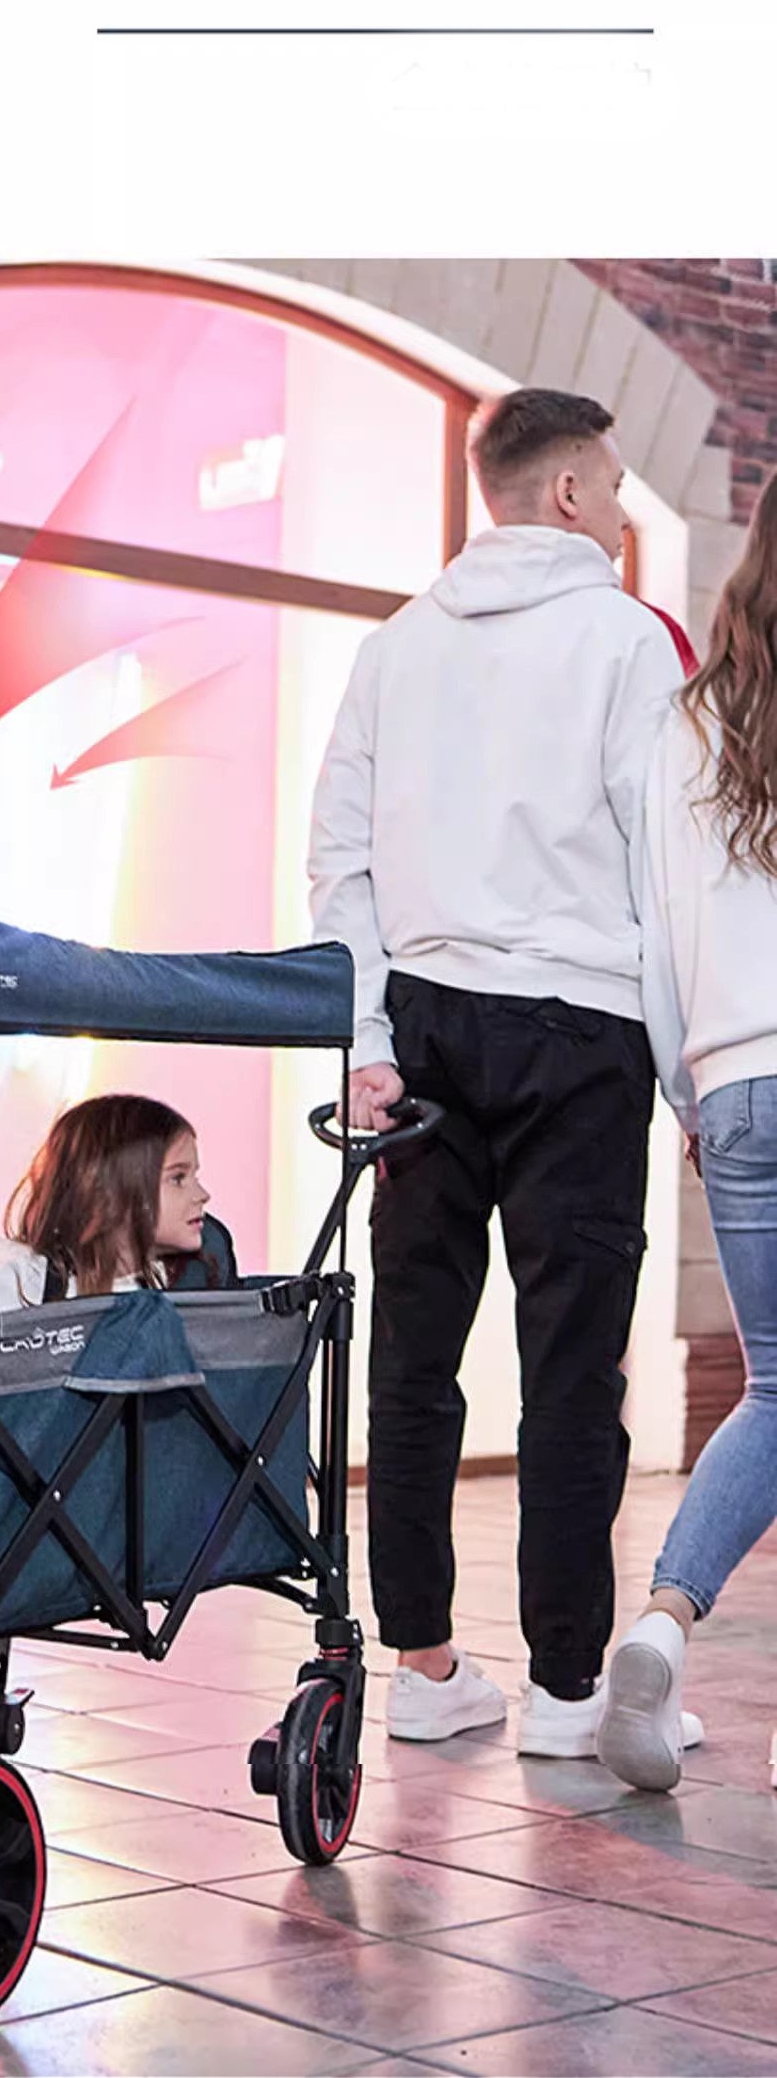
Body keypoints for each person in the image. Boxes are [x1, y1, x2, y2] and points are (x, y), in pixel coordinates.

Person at [308, 386, 687, 1757]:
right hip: (581, 1028)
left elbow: (338, 861)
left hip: (423, 1025)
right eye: (619, 484)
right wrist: (688, 1076)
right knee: (572, 1367)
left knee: (413, 1356)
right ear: (572, 491)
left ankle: (425, 1668)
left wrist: (367, 1040)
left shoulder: (395, 646)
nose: (626, 512)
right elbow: (665, 868)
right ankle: (567, 1696)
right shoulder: (626, 640)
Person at [599, 471, 777, 1790]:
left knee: (775, 1387)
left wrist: (690, 1091)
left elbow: (656, 933)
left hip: (734, 1081)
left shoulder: (686, 723)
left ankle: (662, 1620)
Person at [0, 1094, 217, 1309]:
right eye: (178, 1178)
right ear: (112, 1189)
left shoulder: (195, 1285)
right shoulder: (20, 1285)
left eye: (195, 1176)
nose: (203, 1195)